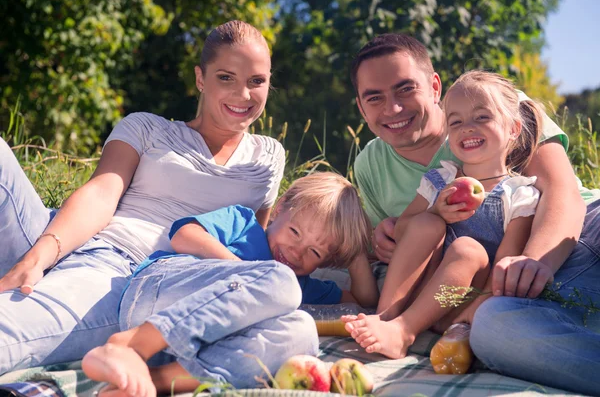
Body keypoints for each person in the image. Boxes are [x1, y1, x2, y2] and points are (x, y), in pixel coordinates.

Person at [0, 20, 318, 376]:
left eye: (256, 81)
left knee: (299, 332)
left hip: (136, 278)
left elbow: (249, 245)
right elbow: (102, 192)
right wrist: (40, 255)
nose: (244, 95)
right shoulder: (147, 127)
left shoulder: (268, 156)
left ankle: (142, 366)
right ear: (201, 78)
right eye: (226, 78)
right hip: (78, 240)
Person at [344, 33, 600, 395]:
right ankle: (396, 323)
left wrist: (531, 264)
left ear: (434, 86)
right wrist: (390, 233)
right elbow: (403, 242)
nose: (394, 109)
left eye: (405, 89)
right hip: (470, 289)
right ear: (361, 106)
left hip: (564, 237)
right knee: (489, 310)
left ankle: (420, 325)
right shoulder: (383, 164)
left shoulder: (500, 104)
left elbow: (561, 195)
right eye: (375, 97)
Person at [81, 172, 377, 396]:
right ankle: (131, 346)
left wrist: (354, 254)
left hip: (184, 347)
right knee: (280, 279)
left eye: (315, 252)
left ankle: (157, 380)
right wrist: (247, 276)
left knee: (302, 332)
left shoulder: (302, 284)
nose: (297, 252)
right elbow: (183, 234)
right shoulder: (245, 223)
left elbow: (364, 299)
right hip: (157, 294)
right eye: (295, 232)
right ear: (279, 208)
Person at [343, 70, 543, 358]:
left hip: (463, 303)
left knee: (468, 250)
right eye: (456, 121)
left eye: (482, 117)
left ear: (513, 128)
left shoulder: (520, 195)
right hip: (420, 293)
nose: (468, 128)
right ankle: (384, 317)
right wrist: (437, 211)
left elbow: (504, 268)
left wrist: (470, 319)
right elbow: (404, 231)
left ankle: (404, 332)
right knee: (425, 223)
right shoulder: (441, 177)